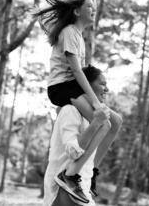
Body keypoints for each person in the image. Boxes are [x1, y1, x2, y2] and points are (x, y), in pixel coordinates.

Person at [32, 0, 123, 203]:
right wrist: (94, 102)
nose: (93, 9)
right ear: (75, 11)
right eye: (89, 6)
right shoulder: (69, 32)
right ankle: (70, 174)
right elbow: (76, 72)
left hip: (71, 86)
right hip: (62, 87)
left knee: (115, 122)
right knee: (103, 124)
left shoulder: (78, 36)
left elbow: (82, 72)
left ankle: (90, 175)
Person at [43, 66, 112, 206]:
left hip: (80, 188)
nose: (107, 89)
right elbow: (72, 151)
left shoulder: (89, 116)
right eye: (103, 84)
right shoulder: (70, 110)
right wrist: (97, 122)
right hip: (64, 190)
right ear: (85, 85)